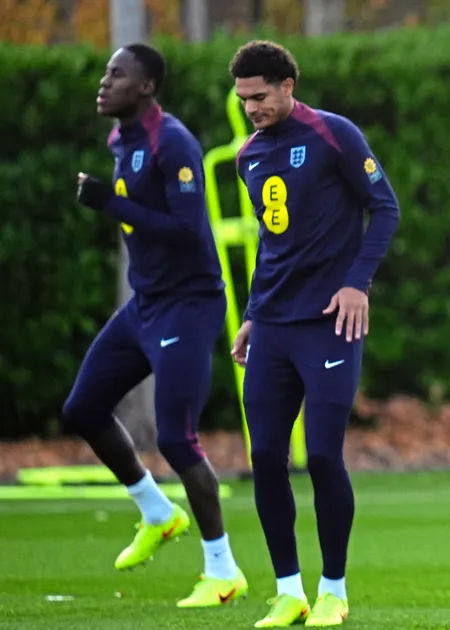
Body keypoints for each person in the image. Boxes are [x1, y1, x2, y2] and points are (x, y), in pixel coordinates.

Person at [227, 39, 402, 628]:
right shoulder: (248, 156)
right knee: (265, 455)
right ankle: (288, 591)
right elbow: (271, 246)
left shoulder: (333, 134)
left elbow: (386, 209)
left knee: (324, 455)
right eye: (243, 99)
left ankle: (333, 589)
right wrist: (253, 313)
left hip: (330, 323)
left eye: (259, 96)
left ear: (287, 86)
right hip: (273, 327)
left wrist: (357, 283)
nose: (252, 107)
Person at [68, 43, 247, 607]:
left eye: (116, 74)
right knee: (83, 408)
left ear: (145, 86)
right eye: (105, 71)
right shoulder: (119, 140)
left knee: (175, 437)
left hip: (188, 305)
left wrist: (109, 204)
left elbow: (189, 229)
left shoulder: (172, 142)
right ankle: (156, 511)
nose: (104, 81)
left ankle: (223, 570)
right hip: (146, 304)